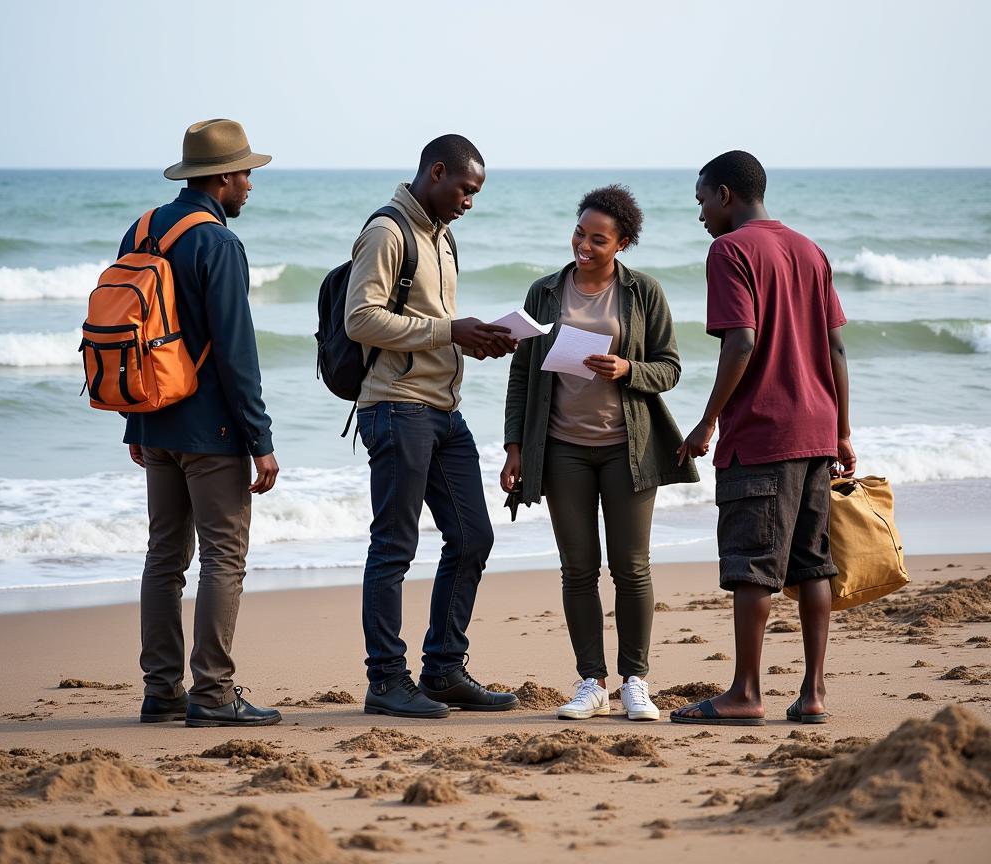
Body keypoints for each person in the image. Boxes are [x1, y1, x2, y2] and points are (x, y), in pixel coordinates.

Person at [501, 185, 699, 721]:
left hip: (627, 450)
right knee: (578, 569)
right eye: (579, 234)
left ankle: (636, 680)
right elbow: (522, 376)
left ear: (623, 243)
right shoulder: (544, 291)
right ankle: (592, 681)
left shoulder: (644, 293)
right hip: (561, 448)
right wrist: (514, 447)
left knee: (631, 568)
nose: (583, 246)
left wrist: (628, 370)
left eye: (598, 239)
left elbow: (671, 368)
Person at [673, 150, 855, 726]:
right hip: (818, 429)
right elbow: (837, 348)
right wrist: (843, 431)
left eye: (702, 200)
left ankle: (746, 693)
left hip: (764, 432)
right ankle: (813, 694)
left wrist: (706, 422)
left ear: (726, 194)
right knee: (812, 564)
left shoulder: (729, 250)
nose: (700, 213)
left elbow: (742, 342)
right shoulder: (810, 249)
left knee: (752, 563)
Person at [345, 134, 521, 718]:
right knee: (394, 546)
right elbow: (361, 319)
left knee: (474, 537)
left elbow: (431, 325)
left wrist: (478, 340)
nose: (471, 201)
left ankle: (443, 671)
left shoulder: (442, 237)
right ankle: (386, 681)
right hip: (396, 407)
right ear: (437, 172)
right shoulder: (388, 231)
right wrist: (451, 331)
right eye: (466, 189)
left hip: (443, 409)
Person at [124, 118, 281, 728]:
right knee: (222, 555)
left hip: (153, 421)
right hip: (210, 430)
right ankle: (212, 694)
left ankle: (161, 690)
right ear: (222, 178)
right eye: (245, 173)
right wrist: (260, 441)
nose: (249, 184)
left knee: (164, 556)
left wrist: (134, 423)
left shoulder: (140, 229)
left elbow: (129, 336)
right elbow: (237, 350)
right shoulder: (218, 243)